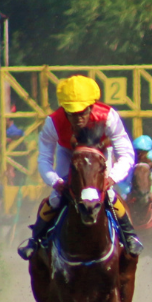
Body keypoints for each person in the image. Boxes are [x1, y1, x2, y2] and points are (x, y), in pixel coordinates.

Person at [16, 75, 143, 259]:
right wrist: (56, 181)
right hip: (68, 153)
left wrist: (112, 178)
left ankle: (130, 236)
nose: (77, 118)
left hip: (99, 153)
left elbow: (126, 154)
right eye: (71, 112)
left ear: (91, 106)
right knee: (56, 198)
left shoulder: (108, 117)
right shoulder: (53, 122)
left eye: (82, 111)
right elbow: (44, 159)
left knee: (108, 194)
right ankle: (35, 240)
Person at [120, 135, 152, 216]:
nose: (140, 154)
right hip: (131, 181)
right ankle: (121, 220)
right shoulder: (130, 157)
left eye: (144, 151)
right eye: (138, 151)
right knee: (122, 197)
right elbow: (121, 178)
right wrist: (127, 190)